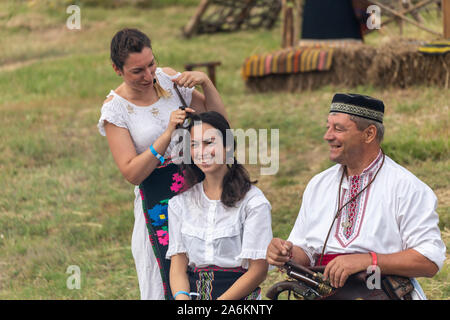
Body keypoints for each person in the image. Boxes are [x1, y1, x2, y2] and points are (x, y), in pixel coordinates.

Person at [266, 93, 446, 299]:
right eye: (328, 127)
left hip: (380, 292)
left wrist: (367, 260)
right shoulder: (318, 184)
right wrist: (285, 253)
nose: (327, 135)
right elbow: (305, 253)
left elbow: (429, 261)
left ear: (369, 134)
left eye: (338, 129)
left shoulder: (407, 187)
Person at [97, 28, 226, 300]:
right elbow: (132, 172)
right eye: (137, 71)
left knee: (209, 272)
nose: (148, 75)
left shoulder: (168, 81)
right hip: (158, 203)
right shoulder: (115, 110)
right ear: (117, 69)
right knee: (165, 280)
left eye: (151, 64)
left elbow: (221, 126)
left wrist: (206, 83)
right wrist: (166, 135)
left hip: (198, 191)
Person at [166, 111, 273, 300]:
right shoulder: (180, 204)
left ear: (228, 146)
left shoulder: (253, 203)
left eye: (209, 143)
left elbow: (258, 270)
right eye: (194, 145)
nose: (201, 152)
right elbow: (178, 267)